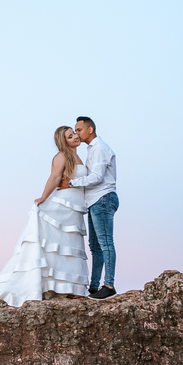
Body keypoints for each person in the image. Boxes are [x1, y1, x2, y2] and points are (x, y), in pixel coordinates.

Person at [0, 126, 90, 307]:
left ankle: (71, 288)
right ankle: (50, 286)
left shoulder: (78, 157)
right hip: (61, 205)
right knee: (56, 244)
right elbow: (55, 177)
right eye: (70, 137)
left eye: (75, 134)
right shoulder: (62, 156)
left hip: (74, 208)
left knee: (68, 245)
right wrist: (44, 197)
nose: (75, 137)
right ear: (64, 141)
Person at [69, 116, 118, 300]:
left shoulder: (99, 148)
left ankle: (109, 285)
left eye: (79, 130)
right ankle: (94, 286)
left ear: (90, 130)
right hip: (95, 201)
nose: (77, 133)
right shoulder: (92, 149)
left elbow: (97, 177)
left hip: (103, 198)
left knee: (105, 243)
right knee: (95, 246)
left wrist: (72, 183)